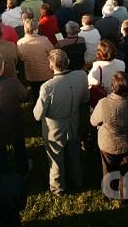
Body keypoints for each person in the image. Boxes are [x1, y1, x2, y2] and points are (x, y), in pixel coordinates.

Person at [33, 49, 89, 196]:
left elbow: (38, 115)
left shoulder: (47, 87)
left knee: (56, 159)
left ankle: (58, 188)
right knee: (74, 154)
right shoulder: (81, 76)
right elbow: (85, 98)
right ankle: (78, 180)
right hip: (73, 123)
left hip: (54, 130)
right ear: (68, 62)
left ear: (51, 67)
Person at [90, 71, 128, 199]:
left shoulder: (104, 103)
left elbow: (93, 121)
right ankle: (125, 193)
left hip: (109, 144)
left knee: (109, 169)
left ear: (113, 87)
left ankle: (110, 192)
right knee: (127, 169)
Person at [17, 18, 54, 97]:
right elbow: (52, 53)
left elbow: (21, 57)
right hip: (46, 73)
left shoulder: (20, 42)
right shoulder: (44, 40)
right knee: (48, 94)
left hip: (31, 75)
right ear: (36, 29)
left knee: (35, 94)